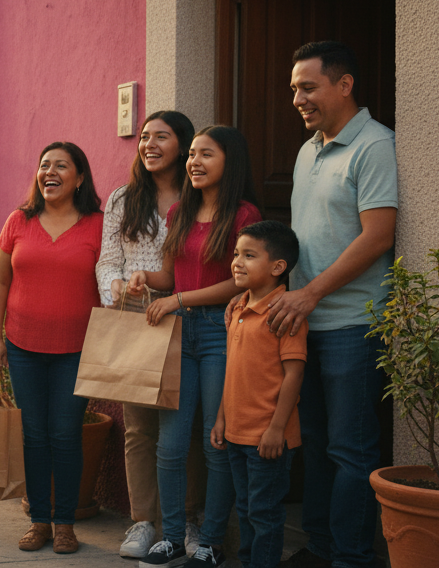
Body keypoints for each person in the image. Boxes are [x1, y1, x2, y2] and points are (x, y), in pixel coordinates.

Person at [270, 41, 398, 568]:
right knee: (318, 445)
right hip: (305, 323)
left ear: (344, 85)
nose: (298, 98)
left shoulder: (375, 145)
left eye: (308, 87)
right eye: (294, 89)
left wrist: (310, 293)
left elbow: (378, 236)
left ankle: (350, 557)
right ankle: (319, 547)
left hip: (352, 324)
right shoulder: (308, 150)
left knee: (352, 450)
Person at [128, 125, 262, 568]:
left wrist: (180, 299)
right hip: (177, 335)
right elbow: (171, 278)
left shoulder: (244, 215)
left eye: (207, 154)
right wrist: (147, 280)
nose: (194, 162)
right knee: (170, 444)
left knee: (214, 442)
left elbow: (237, 282)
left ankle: (209, 542)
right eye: (192, 154)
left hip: (220, 334)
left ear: (230, 161)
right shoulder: (179, 212)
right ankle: (169, 537)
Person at [95, 111, 207, 558]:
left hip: (192, 313)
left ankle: (189, 521)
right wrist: (115, 287)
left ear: (183, 144)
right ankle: (143, 522)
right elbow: (107, 260)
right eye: (144, 136)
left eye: (162, 136)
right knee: (140, 428)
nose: (149, 144)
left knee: (189, 427)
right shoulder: (124, 199)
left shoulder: (200, 194)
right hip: (137, 315)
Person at [0, 141, 104, 555]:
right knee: (34, 435)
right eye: (44, 165)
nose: (49, 172)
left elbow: (109, 284)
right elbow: (0, 283)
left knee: (66, 434)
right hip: (23, 346)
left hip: (77, 350)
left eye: (61, 166)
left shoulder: (97, 225)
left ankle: (66, 523)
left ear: (80, 177)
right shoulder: (19, 221)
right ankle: (39, 521)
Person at [212, 220, 307, 568]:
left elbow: (294, 374)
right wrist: (222, 418)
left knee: (265, 514)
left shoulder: (285, 312)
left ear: (278, 267)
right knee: (247, 509)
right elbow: (233, 372)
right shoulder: (236, 308)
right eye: (236, 254)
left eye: (249, 255)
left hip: (268, 438)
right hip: (236, 433)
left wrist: (276, 429)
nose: (237, 262)